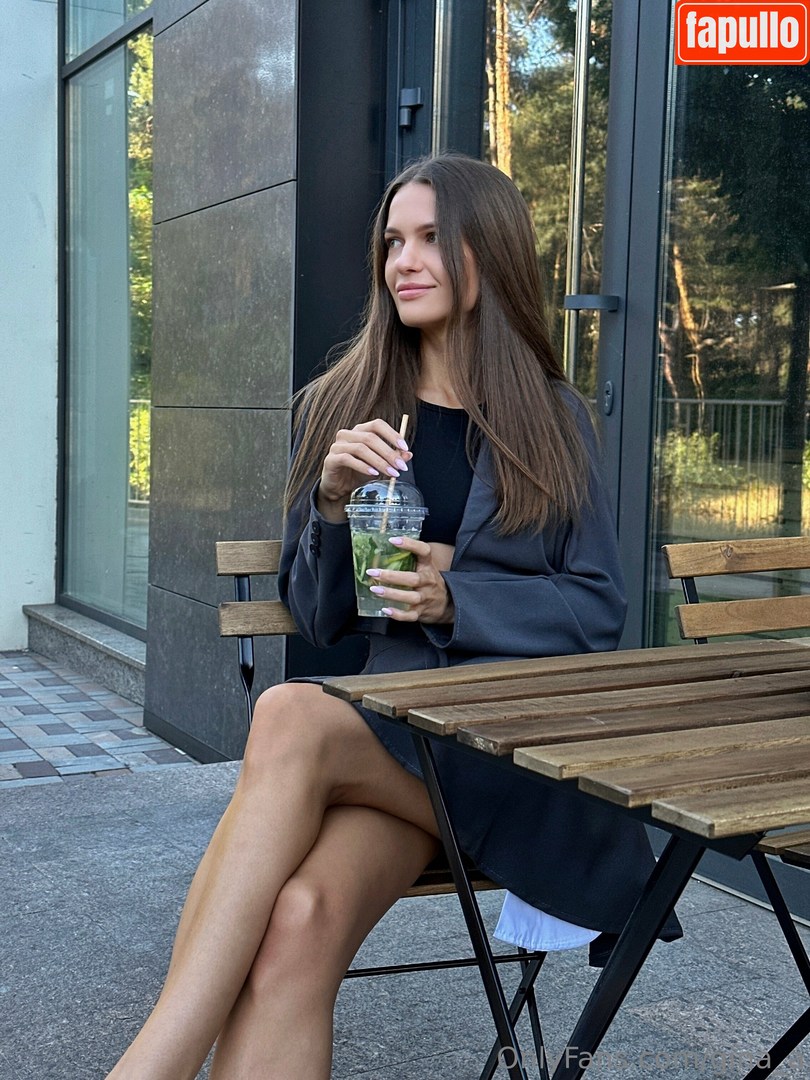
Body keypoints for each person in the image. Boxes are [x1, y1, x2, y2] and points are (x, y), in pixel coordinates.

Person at [107, 152, 678, 1080]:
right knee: (298, 923)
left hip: (509, 754)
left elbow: (597, 607)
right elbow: (318, 618)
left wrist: (460, 596)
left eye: (430, 240)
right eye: (392, 242)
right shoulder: (340, 407)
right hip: (400, 749)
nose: (402, 262)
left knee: (289, 713)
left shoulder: (552, 420)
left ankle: (148, 1068)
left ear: (490, 253)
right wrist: (329, 505)